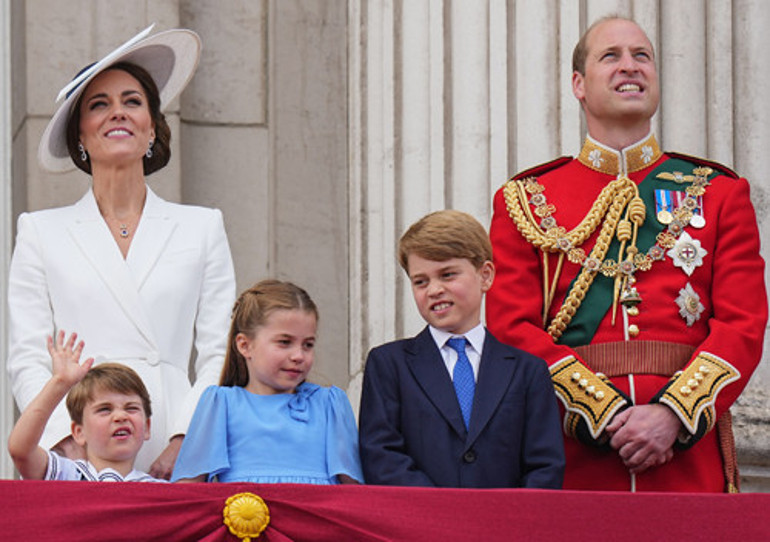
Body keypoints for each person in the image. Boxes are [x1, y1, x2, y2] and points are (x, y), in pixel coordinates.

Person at [487, 16, 767, 492]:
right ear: (578, 84)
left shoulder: (718, 192)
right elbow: (510, 327)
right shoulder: (527, 198)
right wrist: (603, 413)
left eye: (642, 56)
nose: (629, 67)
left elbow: (743, 323)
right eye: (610, 56)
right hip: (571, 454)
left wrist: (673, 414)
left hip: (686, 454)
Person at [6, 26, 236, 479]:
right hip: (79, 446)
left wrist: (185, 439)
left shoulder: (201, 226)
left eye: (132, 102)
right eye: (99, 104)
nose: (119, 113)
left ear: (152, 126)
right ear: (80, 136)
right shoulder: (40, 231)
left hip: (173, 440)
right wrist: (64, 444)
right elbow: (27, 357)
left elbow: (220, 352)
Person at [359, 210, 564, 488]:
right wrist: (443, 516)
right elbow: (382, 456)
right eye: (421, 281)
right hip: (421, 524)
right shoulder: (388, 365)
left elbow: (545, 465)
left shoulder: (527, 370)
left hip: (504, 526)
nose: (434, 289)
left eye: (447, 275)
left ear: (486, 276)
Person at [171, 279, 363, 484]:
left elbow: (354, 491)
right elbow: (188, 488)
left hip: (314, 515)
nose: (299, 355)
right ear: (245, 345)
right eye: (284, 342)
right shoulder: (221, 404)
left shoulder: (330, 404)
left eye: (308, 344)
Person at [8, 331, 162, 482]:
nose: (121, 416)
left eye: (131, 408)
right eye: (105, 409)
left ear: (147, 427)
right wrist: (60, 383)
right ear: (79, 432)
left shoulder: (161, 492)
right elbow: (21, 451)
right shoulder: (66, 475)